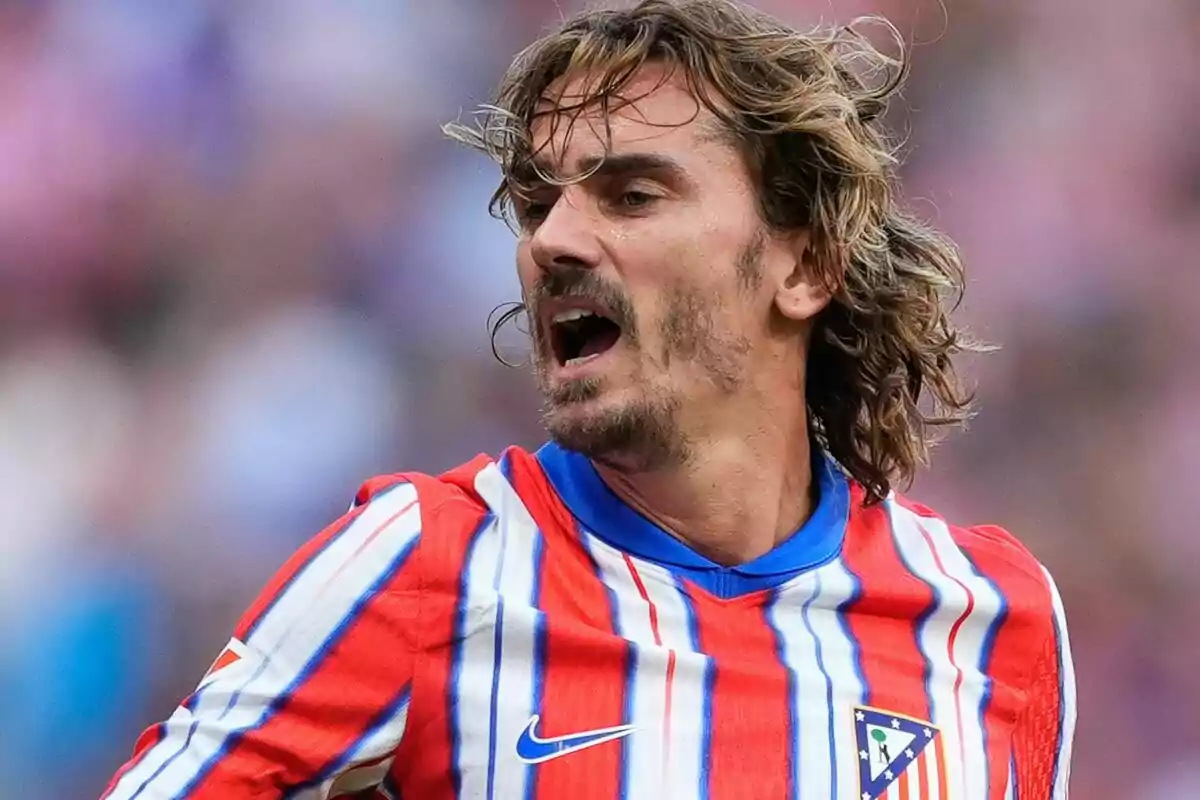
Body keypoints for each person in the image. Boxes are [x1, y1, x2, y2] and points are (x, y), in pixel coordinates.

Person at [101, 1, 1076, 798]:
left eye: (632, 194)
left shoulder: (997, 618)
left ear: (804, 259)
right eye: (538, 203)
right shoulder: (425, 565)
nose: (551, 240)